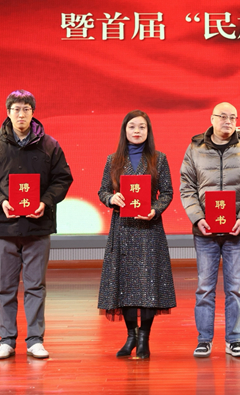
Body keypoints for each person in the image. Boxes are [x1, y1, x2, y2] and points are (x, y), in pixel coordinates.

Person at [0, 90, 73, 360]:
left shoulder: (49, 145)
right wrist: (0, 201)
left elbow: (63, 179)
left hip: (38, 226)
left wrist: (45, 201)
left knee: (35, 286)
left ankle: (35, 339)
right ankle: (6, 340)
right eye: (16, 109)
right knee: (5, 287)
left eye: (26, 109)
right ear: (8, 113)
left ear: (33, 113)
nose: (21, 114)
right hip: (5, 226)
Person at [180, 102, 240, 358]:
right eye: (223, 116)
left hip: (237, 231)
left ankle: (234, 340)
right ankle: (204, 339)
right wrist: (197, 218)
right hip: (205, 231)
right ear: (212, 119)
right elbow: (187, 187)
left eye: (233, 117)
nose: (228, 121)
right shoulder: (195, 148)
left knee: (235, 288)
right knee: (204, 288)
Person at [97, 110, 176, 359]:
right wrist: (111, 198)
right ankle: (130, 335)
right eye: (132, 126)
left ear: (148, 131)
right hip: (123, 229)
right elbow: (102, 191)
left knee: (149, 285)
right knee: (125, 284)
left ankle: (144, 339)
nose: (137, 131)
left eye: (142, 127)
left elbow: (167, 192)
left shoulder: (159, 159)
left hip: (149, 229)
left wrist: (155, 209)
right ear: (125, 130)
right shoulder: (113, 160)